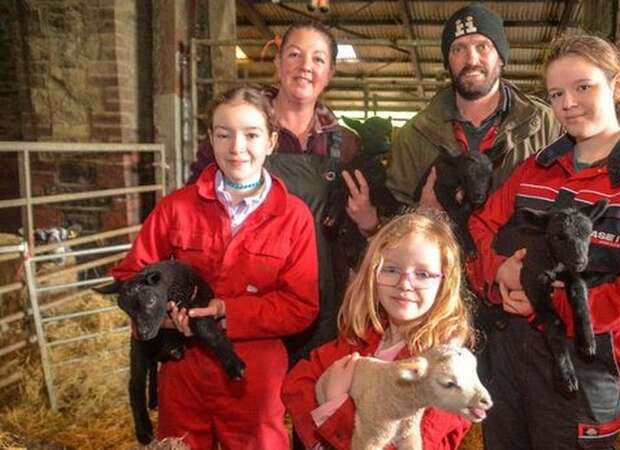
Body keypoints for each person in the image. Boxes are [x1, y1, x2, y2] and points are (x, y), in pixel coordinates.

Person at [466, 34, 620, 449]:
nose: (567, 103)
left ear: (618, 86)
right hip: (510, 352)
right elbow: (480, 226)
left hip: (586, 360)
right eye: (556, 93)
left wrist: (556, 304)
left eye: (583, 86)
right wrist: (499, 271)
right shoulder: (536, 168)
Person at [112, 85, 319, 450]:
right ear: (211, 139)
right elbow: (131, 276)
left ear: (271, 141)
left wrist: (226, 312)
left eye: (252, 134)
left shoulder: (294, 216)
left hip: (254, 368)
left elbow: (300, 306)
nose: (237, 148)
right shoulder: (176, 208)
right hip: (182, 365)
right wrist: (158, 316)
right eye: (224, 134)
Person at [189, 20, 366, 366]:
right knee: (250, 407)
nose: (305, 68)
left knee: (313, 410)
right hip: (245, 298)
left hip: (318, 297)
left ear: (328, 73)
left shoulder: (343, 144)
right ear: (278, 63)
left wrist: (366, 221)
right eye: (295, 55)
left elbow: (354, 228)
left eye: (317, 60)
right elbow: (196, 202)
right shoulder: (239, 129)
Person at [352, 4, 561, 236]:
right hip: (439, 267)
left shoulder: (547, 124)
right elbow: (390, 215)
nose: (471, 59)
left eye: (482, 46)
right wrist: (420, 216)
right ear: (447, 61)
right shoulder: (413, 134)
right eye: (458, 49)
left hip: (518, 266)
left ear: (501, 57)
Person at [281, 211, 475, 449]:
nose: (404, 284)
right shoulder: (366, 337)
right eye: (391, 270)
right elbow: (297, 382)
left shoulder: (445, 372)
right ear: (373, 273)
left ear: (444, 283)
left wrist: (334, 406)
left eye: (423, 274)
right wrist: (319, 441)